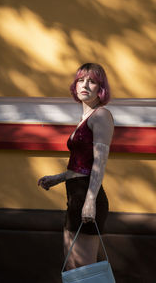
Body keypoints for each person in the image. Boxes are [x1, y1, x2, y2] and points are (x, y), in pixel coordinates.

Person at [38, 63, 114, 270]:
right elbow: (81, 165)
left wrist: (90, 202)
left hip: (89, 196)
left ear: (101, 88)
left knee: (84, 269)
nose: (85, 85)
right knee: (72, 265)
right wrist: (58, 178)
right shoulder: (84, 119)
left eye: (92, 81)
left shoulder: (101, 116)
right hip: (74, 196)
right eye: (81, 80)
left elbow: (99, 162)